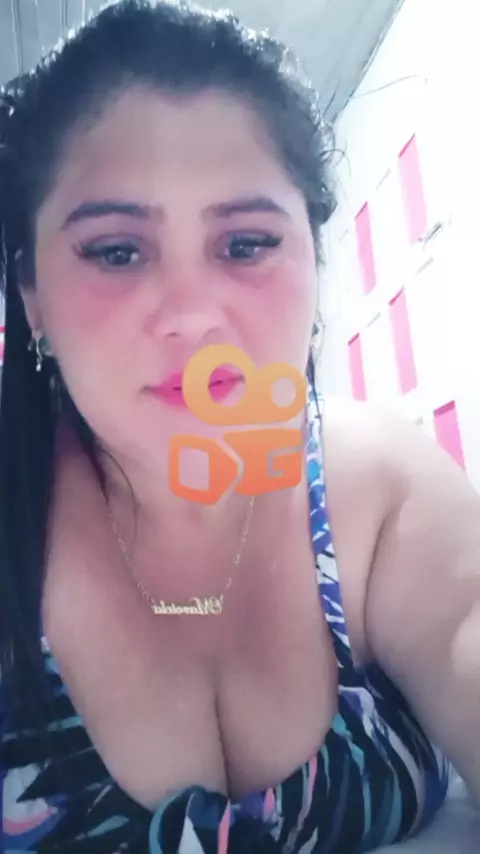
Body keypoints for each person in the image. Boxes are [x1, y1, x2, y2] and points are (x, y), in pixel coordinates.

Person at [0, 1, 479, 851]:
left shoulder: (379, 489)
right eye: (116, 251)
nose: (192, 314)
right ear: (32, 296)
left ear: (314, 260)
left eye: (247, 243)